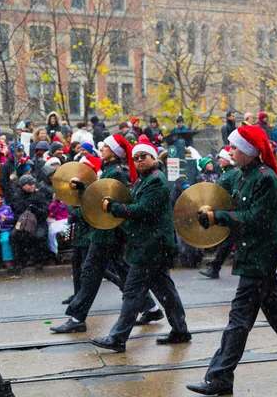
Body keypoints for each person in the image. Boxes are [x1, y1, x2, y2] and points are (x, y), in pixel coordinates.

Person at [186, 125, 277, 395]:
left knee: (239, 320)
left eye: (235, 147)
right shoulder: (243, 175)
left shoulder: (265, 178)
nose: (231, 151)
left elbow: (253, 220)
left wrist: (221, 217)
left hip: (260, 257)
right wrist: (212, 212)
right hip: (253, 255)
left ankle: (220, 377)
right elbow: (238, 210)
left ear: (249, 151)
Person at [50, 135, 161, 334]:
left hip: (105, 232)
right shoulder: (110, 170)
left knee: (90, 273)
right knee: (123, 271)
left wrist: (85, 190)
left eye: (106, 147)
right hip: (108, 232)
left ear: (115, 151)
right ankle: (151, 308)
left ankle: (77, 318)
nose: (102, 149)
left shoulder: (115, 172)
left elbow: (107, 202)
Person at [90, 141, 191, 353]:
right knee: (165, 291)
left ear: (153, 158)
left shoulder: (156, 181)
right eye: (136, 158)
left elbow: (143, 210)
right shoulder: (144, 180)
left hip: (151, 247)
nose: (139, 161)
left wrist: (115, 208)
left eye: (143, 156)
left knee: (132, 292)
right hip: (151, 245)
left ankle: (117, 338)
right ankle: (180, 330)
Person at [61, 155, 102, 305]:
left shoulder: (92, 189)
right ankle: (77, 293)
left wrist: (75, 213)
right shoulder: (79, 189)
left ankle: (82, 297)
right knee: (76, 265)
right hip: (79, 234)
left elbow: (89, 210)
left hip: (88, 234)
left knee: (90, 268)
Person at [199, 147, 242, 279]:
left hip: (231, 212)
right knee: (228, 243)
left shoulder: (233, 173)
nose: (219, 161)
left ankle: (215, 268)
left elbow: (235, 192)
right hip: (228, 211)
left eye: (222, 158)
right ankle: (215, 268)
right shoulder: (229, 172)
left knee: (227, 243)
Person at [0, 194, 15, 271]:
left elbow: (13, 218)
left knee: (5, 240)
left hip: (5, 229)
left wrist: (7, 218)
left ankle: (8, 261)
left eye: (0, 200)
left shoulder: (7, 208)